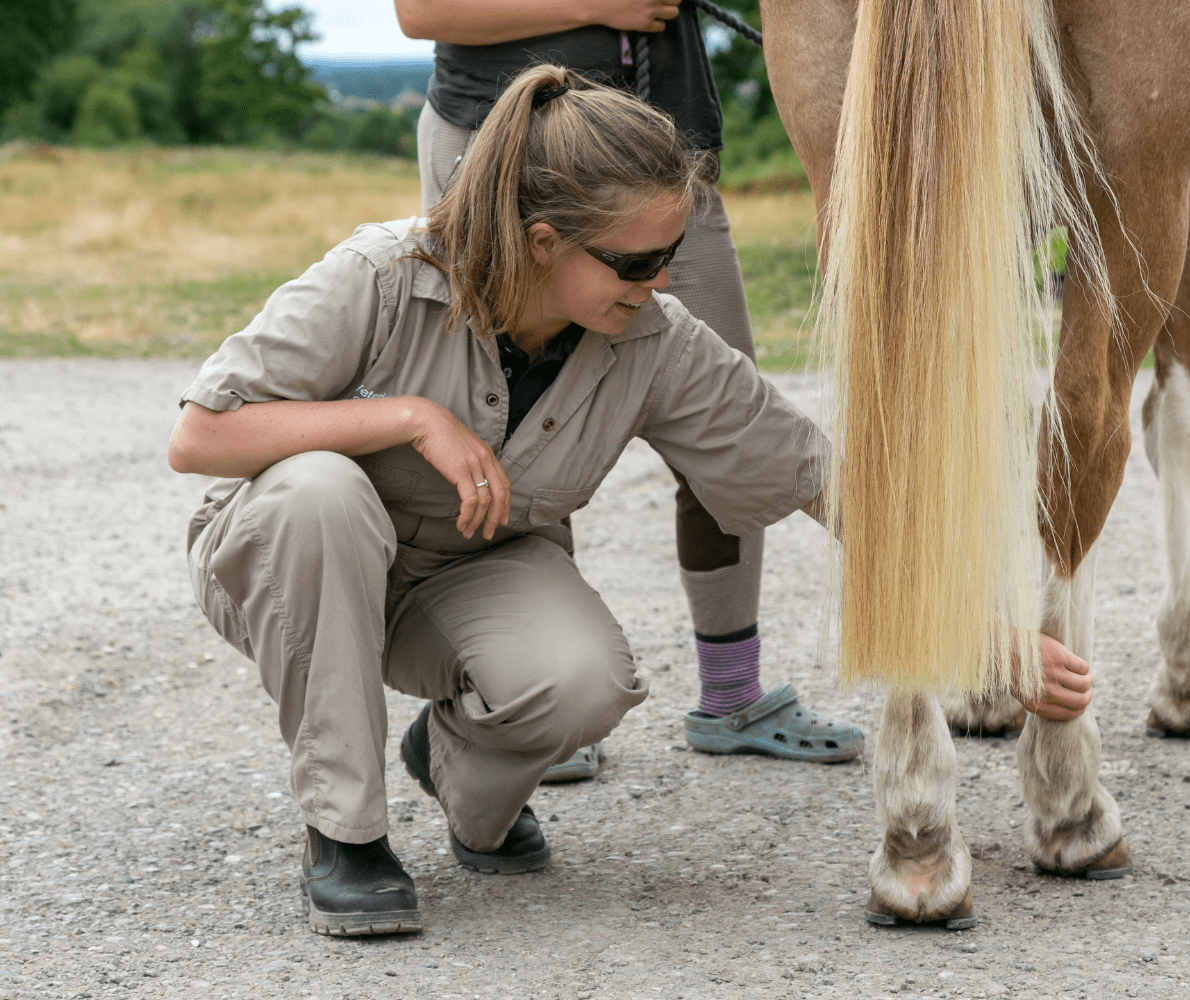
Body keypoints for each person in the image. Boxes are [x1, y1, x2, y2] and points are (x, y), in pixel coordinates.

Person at [167, 66, 838, 935]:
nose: (663, 281)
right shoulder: (378, 273)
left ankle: (451, 756)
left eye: (671, 255)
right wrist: (408, 418)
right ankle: (344, 834)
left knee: (588, 682)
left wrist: (986, 633)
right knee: (320, 490)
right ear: (545, 239)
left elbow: (812, 472)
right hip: (297, 559)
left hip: (464, 581)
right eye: (638, 261)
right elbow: (201, 436)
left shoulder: (653, 336)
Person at [393, 0, 864, 783]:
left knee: (727, 425)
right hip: (499, 159)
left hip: (662, 165)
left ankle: (732, 697)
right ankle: (521, 697)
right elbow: (420, 13)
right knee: (514, 419)